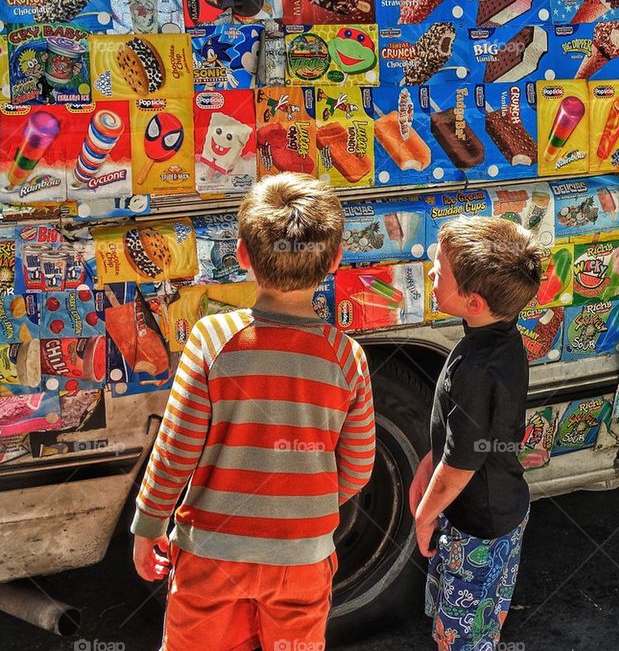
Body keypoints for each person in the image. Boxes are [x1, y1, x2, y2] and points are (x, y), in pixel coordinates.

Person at [130, 172, 375, 651]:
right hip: (303, 561)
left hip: (211, 555)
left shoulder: (211, 340)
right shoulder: (347, 357)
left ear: (241, 255)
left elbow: (176, 449)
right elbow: (359, 467)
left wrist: (148, 526)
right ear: (337, 260)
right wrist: (307, 502)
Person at [410, 215, 543, 651]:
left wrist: (426, 515)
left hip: (477, 528)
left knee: (463, 638)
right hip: (496, 512)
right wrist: (427, 470)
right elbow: (463, 434)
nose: (431, 269)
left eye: (441, 269)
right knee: (476, 625)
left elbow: (463, 461)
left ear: (474, 302)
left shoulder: (475, 368)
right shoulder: (500, 342)